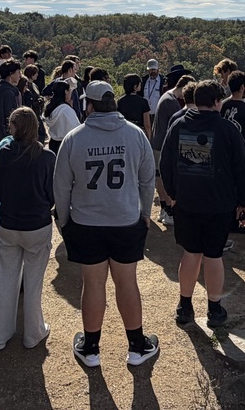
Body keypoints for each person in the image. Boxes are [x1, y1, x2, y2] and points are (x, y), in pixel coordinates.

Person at [53, 81, 159, 367]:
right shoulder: (135, 135)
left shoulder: (74, 138)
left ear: (89, 105)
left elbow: (61, 186)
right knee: (127, 283)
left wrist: (65, 221)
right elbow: (148, 178)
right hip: (126, 220)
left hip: (86, 223)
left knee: (93, 284)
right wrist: (145, 212)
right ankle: (137, 346)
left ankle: (91, 348)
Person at [161, 80, 245, 329]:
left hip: (186, 202)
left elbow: (165, 164)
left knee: (191, 253)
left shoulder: (178, 125)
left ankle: (185, 306)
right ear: (216, 102)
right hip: (219, 203)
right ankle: (214, 308)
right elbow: (242, 170)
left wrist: (173, 194)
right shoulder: (227, 129)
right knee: (213, 255)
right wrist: (244, 202)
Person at [0, 107, 54, 350]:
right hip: (36, 225)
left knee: (6, 281)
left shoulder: (5, 154)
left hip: (8, 223)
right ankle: (32, 334)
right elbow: (52, 195)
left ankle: (0, 336)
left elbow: (2, 189)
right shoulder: (47, 157)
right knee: (33, 282)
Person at [149, 65, 192, 226]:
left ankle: (164, 210)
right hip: (161, 144)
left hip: (158, 142)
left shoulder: (167, 96)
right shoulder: (171, 102)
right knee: (163, 177)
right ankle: (167, 210)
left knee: (160, 176)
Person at [0, 60, 22, 152]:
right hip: (8, 141)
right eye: (18, 72)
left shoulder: (0, 88)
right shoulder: (8, 93)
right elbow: (10, 118)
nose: (20, 75)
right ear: (11, 73)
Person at [44, 80, 80, 153]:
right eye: (69, 90)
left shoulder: (51, 108)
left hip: (53, 143)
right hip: (66, 144)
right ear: (66, 92)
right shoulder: (66, 110)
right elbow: (76, 129)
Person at [118, 74, 152, 140]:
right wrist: (149, 137)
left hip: (124, 131)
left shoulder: (120, 101)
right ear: (135, 86)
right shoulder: (143, 101)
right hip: (139, 132)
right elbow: (147, 124)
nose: (140, 85)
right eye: (139, 84)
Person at [139, 59, 164, 126]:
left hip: (158, 115)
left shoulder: (163, 82)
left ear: (158, 69)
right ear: (148, 70)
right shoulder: (143, 81)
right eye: (151, 69)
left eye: (154, 69)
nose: (153, 71)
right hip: (145, 115)